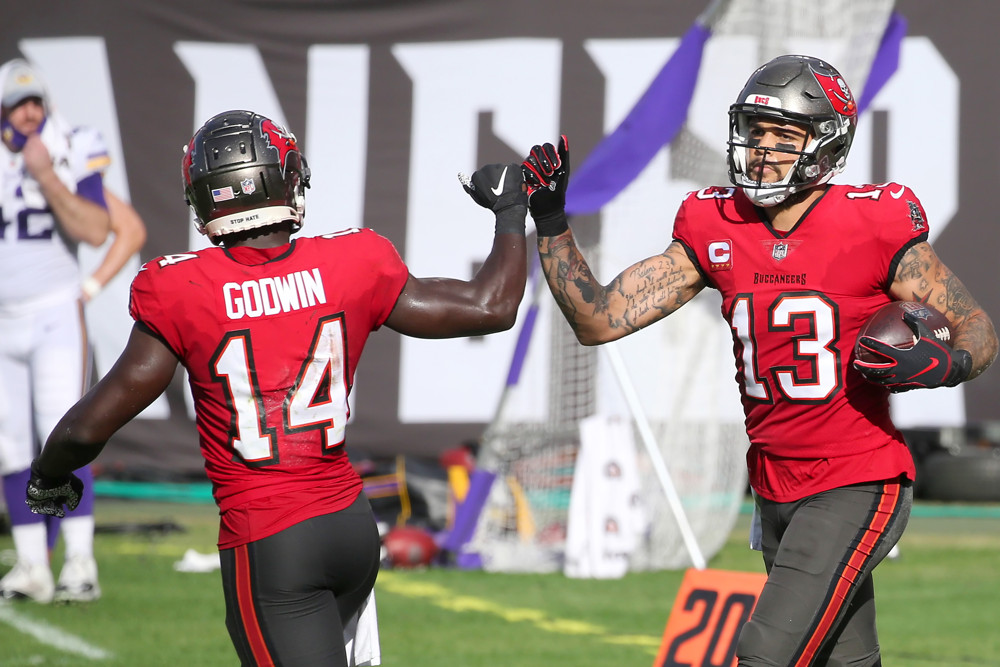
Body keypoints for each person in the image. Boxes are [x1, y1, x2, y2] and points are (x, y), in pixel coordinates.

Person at [520, 55, 997, 666]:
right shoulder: (714, 221)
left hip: (856, 479)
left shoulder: (872, 221)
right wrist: (552, 221)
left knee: (765, 654)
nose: (764, 150)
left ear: (827, 144)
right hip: (774, 482)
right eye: (755, 131)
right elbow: (598, 318)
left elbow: (977, 325)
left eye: (785, 137)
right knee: (845, 660)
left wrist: (951, 364)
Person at [25, 109, 527, 665]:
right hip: (350, 526)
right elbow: (491, 305)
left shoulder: (181, 287)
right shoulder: (351, 259)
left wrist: (49, 473)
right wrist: (510, 211)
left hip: (271, 540)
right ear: (286, 177)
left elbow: (91, 422)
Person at [0, 57, 144, 604]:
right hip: (3, 318)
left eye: (36, 100)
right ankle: (32, 565)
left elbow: (96, 227)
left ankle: (80, 562)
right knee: (10, 445)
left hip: (55, 312)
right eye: (19, 104)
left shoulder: (70, 142)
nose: (30, 112)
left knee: (68, 433)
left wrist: (43, 174)